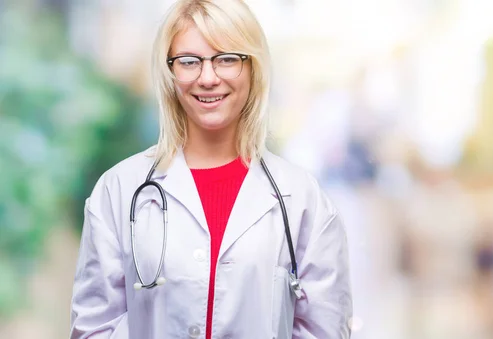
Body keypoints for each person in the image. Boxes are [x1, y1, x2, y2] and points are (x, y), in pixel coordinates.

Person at [69, 0, 352, 338]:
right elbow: (96, 327)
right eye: (189, 62)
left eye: (227, 59)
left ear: (253, 68)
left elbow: (325, 329)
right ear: (170, 72)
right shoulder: (119, 190)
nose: (207, 77)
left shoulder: (302, 199)